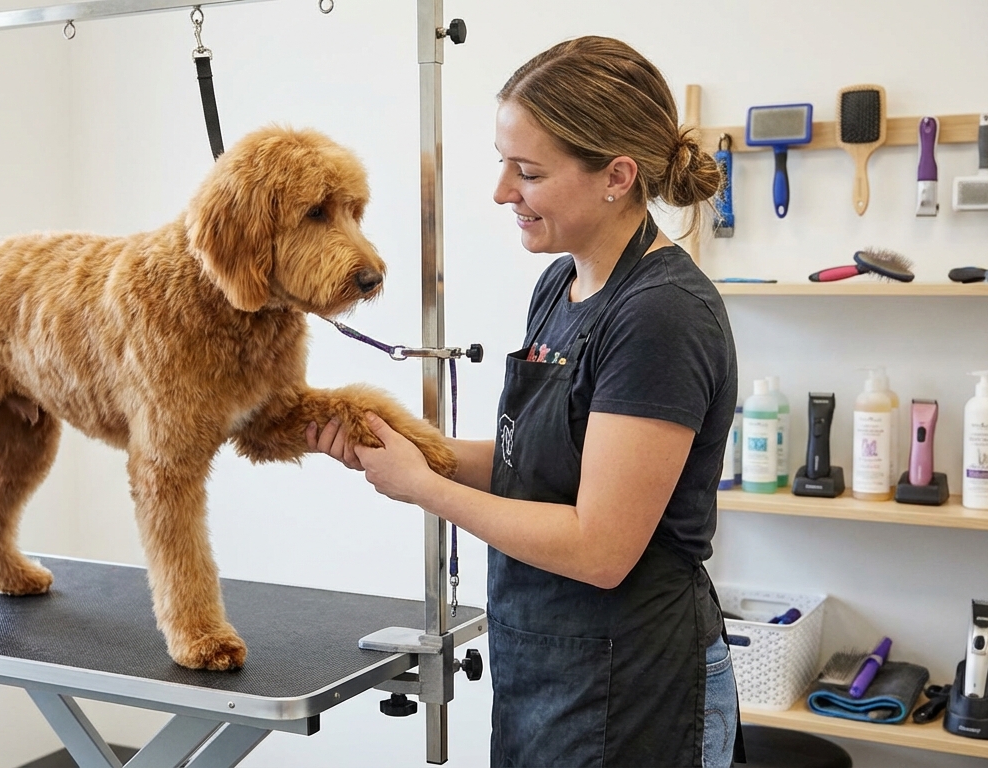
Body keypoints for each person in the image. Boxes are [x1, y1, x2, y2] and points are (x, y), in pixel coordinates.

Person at [308, 36, 740, 768]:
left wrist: (423, 488)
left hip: (635, 686)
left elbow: (601, 549)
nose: (502, 191)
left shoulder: (660, 315)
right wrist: (416, 450)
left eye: (529, 171)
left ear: (617, 175)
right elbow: (532, 464)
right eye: (503, 163)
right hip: (545, 666)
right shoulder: (561, 284)